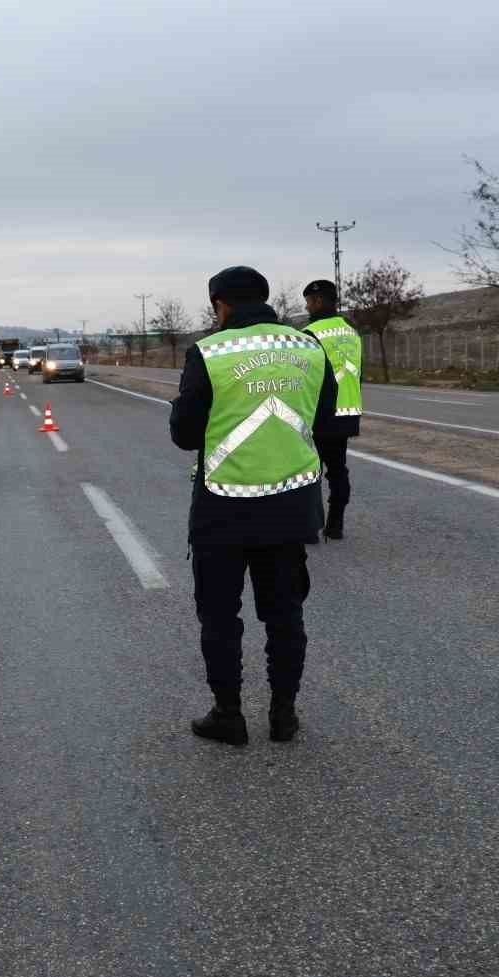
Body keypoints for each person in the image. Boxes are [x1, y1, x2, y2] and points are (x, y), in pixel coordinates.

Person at [170, 266, 336, 745]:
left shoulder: (210, 352)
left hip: (224, 506)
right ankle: (284, 716)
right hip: (292, 501)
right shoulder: (309, 347)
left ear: (220, 305)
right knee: (285, 615)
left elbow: (185, 435)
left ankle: (229, 715)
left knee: (221, 617)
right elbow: (323, 420)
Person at [301, 279, 363, 541]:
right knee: (338, 469)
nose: (307, 306)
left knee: (308, 470)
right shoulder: (352, 331)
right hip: (348, 410)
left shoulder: (310, 333)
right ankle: (335, 525)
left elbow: (304, 376)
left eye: (308, 302)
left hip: (318, 413)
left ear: (317, 301)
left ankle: (310, 528)